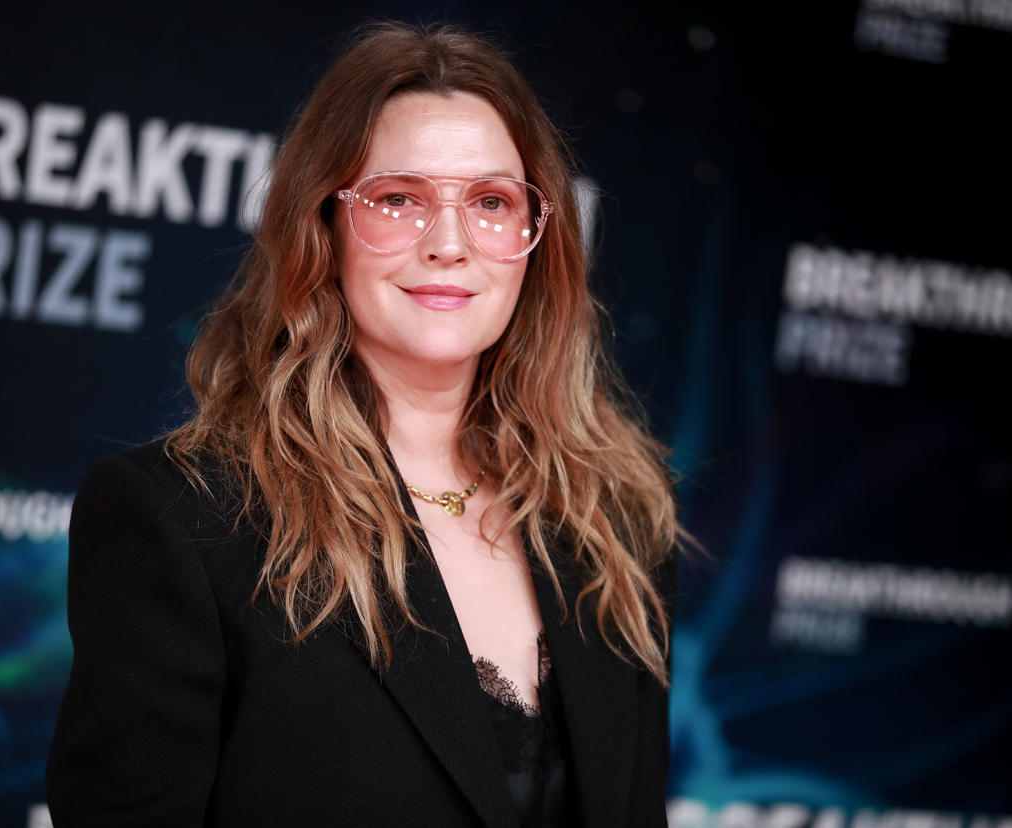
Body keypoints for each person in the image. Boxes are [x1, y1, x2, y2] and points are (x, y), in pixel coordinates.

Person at [46, 20, 690, 828]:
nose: (450, 244)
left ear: (536, 237)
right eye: (398, 200)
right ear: (322, 225)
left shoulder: (617, 522)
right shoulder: (186, 519)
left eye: (491, 202)